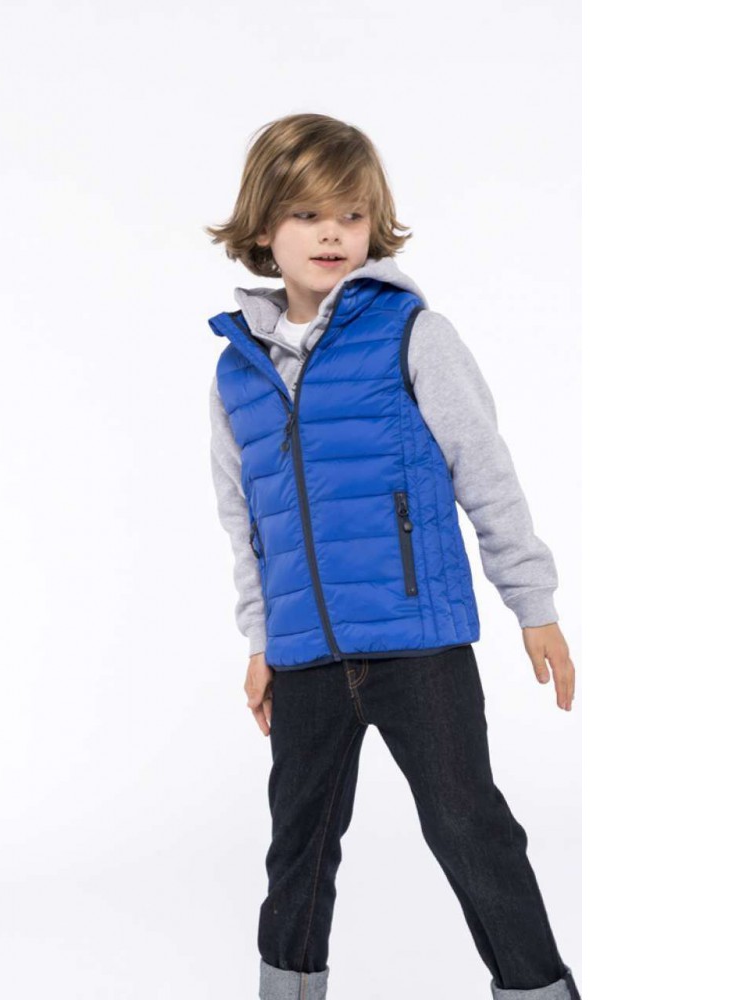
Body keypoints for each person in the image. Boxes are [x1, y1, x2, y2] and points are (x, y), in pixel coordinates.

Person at [204, 112, 581, 1000]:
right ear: (264, 227)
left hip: (418, 644)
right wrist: (260, 640)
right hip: (304, 656)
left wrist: (533, 603)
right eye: (306, 214)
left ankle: (538, 991)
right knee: (298, 847)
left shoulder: (412, 332)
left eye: (351, 214)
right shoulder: (236, 371)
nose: (332, 233)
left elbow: (484, 470)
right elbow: (244, 522)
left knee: (469, 828)